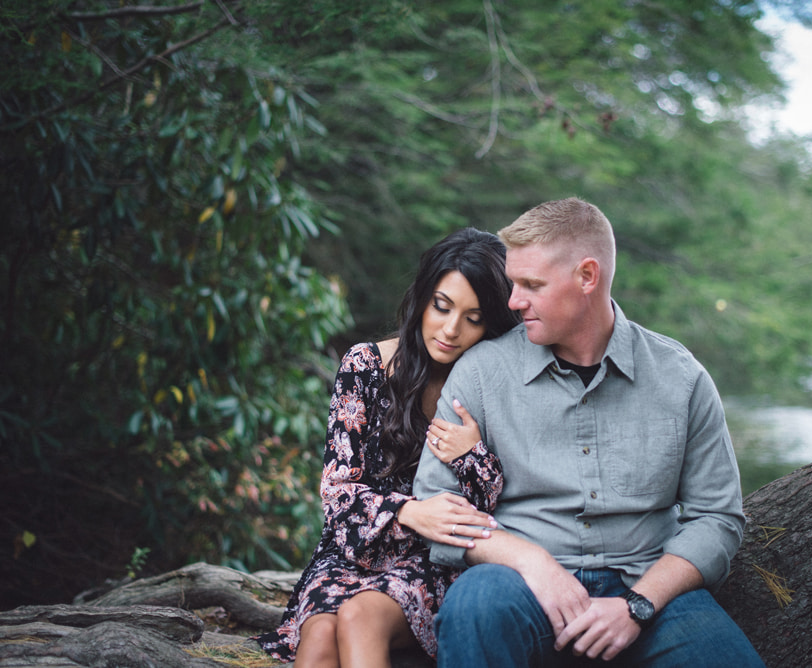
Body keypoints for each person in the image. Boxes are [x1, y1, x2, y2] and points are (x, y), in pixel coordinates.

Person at [413, 198, 765, 667]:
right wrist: (530, 561)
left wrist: (638, 605)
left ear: (587, 277)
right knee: (475, 609)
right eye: (514, 283)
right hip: (520, 587)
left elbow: (717, 517)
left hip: (648, 589)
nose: (513, 301)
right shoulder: (481, 373)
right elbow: (437, 504)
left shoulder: (681, 377)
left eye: (530, 285)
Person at [254, 228, 521, 667]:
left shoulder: (492, 386)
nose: (451, 330)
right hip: (355, 551)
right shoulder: (366, 366)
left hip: (434, 562)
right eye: (442, 306)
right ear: (422, 298)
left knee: (360, 616)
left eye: (473, 318)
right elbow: (338, 492)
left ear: (492, 322)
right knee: (319, 637)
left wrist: (472, 454)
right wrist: (408, 511)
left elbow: (500, 505)